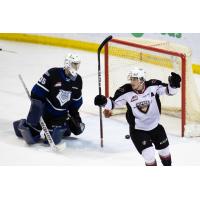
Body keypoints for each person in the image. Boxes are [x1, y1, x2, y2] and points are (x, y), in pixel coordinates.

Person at [94, 67, 181, 166]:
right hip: (138, 130)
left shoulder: (153, 85)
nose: (132, 81)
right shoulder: (125, 91)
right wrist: (103, 102)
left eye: (135, 79)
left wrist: (174, 85)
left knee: (165, 151)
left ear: (142, 80)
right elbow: (113, 104)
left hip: (155, 126)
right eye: (131, 79)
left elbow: (169, 91)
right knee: (149, 155)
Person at [13, 53, 85, 145]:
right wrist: (36, 112)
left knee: (52, 140)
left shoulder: (78, 80)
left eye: (77, 64)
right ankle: (22, 124)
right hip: (44, 113)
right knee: (31, 136)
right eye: (74, 64)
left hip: (59, 116)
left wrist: (76, 119)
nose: (76, 67)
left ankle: (65, 126)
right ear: (67, 63)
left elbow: (75, 103)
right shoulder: (53, 73)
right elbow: (36, 92)